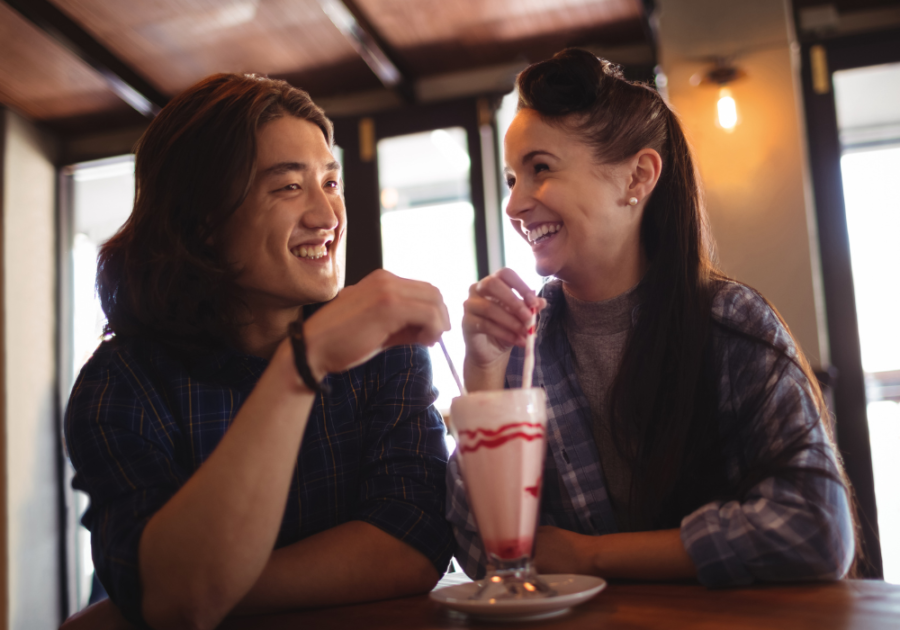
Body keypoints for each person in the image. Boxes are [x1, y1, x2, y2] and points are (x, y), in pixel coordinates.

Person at [447, 49, 856, 586]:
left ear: (637, 177)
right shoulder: (521, 344)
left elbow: (816, 527)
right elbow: (485, 557)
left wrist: (590, 556)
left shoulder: (729, 322)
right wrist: (482, 374)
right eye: (510, 179)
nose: (514, 204)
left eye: (540, 169)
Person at [65, 73, 455, 630]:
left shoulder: (386, 350)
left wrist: (164, 602)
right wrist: (304, 363)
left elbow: (411, 543)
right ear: (203, 223)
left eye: (331, 182)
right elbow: (174, 597)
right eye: (289, 187)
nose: (327, 216)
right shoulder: (122, 385)